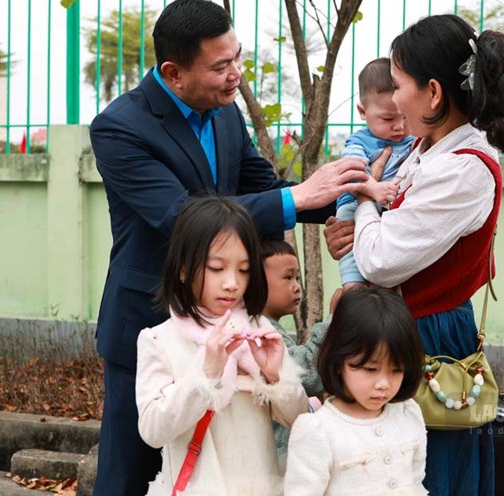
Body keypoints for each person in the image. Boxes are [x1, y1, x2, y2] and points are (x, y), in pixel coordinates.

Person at [88, 0, 373, 493]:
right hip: (147, 319)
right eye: (221, 66)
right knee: (130, 473)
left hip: (227, 323)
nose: (236, 74)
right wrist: (300, 196)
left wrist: (349, 200)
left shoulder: (224, 113)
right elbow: (182, 216)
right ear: (174, 73)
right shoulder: (119, 127)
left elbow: (264, 187)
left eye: (237, 57)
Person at [324, 14, 504, 496]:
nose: (394, 99)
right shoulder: (428, 148)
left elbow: (379, 259)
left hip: (427, 338)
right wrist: (355, 231)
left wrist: (366, 201)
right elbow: (378, 242)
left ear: (433, 93)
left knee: (420, 471)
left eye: (399, 86)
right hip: (400, 327)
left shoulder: (463, 170)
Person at [135, 196, 306, 496]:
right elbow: (152, 430)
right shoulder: (159, 340)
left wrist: (275, 376)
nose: (232, 283)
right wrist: (205, 374)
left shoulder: (257, 330)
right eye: (217, 268)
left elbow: (300, 419)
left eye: (243, 270)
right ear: (183, 269)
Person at [284, 287, 427, 496]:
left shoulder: (408, 412)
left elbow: (416, 481)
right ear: (339, 361)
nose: (383, 384)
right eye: (370, 369)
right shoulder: (318, 431)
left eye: (396, 370)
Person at [260, 239, 342, 461]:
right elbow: (305, 372)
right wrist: (333, 322)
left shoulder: (268, 325)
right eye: (288, 278)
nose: (297, 286)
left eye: (297, 278)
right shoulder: (261, 331)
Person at [336, 58, 414, 290]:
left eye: (405, 117)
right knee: (350, 243)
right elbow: (351, 172)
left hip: (387, 210)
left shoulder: (412, 140)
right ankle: (352, 287)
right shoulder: (360, 141)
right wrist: (373, 188)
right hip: (354, 205)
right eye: (388, 119)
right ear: (363, 111)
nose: (399, 126)